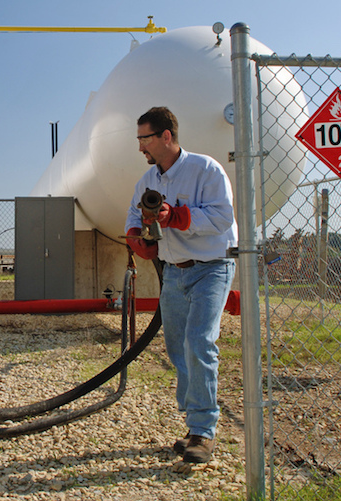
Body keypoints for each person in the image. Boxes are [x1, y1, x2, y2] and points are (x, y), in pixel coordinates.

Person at [124, 106, 238, 464]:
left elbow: (222, 217)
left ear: (166, 137)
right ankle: (194, 424)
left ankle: (204, 431)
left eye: (144, 139)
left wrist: (176, 216)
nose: (140, 147)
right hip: (173, 271)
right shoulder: (148, 183)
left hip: (211, 268)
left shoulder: (205, 170)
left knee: (198, 341)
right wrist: (136, 239)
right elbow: (132, 217)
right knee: (178, 347)